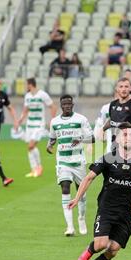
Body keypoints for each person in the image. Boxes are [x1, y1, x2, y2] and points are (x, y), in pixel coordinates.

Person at [70, 122, 131, 260]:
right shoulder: (108, 158)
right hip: (107, 209)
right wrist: (77, 199)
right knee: (101, 244)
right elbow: (88, 178)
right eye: (125, 134)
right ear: (118, 139)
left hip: (125, 214)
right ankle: (89, 250)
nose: (128, 138)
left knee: (113, 249)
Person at [47, 95, 94, 236]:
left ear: (73, 104)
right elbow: (52, 138)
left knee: (81, 193)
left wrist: (79, 138)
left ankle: (81, 218)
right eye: (64, 104)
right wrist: (49, 145)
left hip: (78, 161)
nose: (67, 106)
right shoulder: (54, 122)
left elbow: (92, 138)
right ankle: (70, 227)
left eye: (69, 103)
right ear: (61, 106)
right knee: (65, 187)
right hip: (62, 161)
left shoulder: (81, 119)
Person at [17, 78, 57, 178]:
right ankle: (34, 169)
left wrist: (52, 120)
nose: (26, 86)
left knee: (31, 146)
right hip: (29, 124)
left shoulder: (42, 94)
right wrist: (20, 119)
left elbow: (53, 106)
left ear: (30, 84)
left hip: (39, 125)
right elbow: (25, 110)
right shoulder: (27, 96)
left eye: (27, 84)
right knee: (30, 148)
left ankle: (38, 167)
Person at [102, 77, 131, 143]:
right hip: (114, 145)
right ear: (117, 89)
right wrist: (103, 129)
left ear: (130, 88)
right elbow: (111, 120)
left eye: (126, 86)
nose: (124, 89)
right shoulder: (113, 104)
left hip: (129, 146)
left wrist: (130, 129)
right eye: (121, 86)